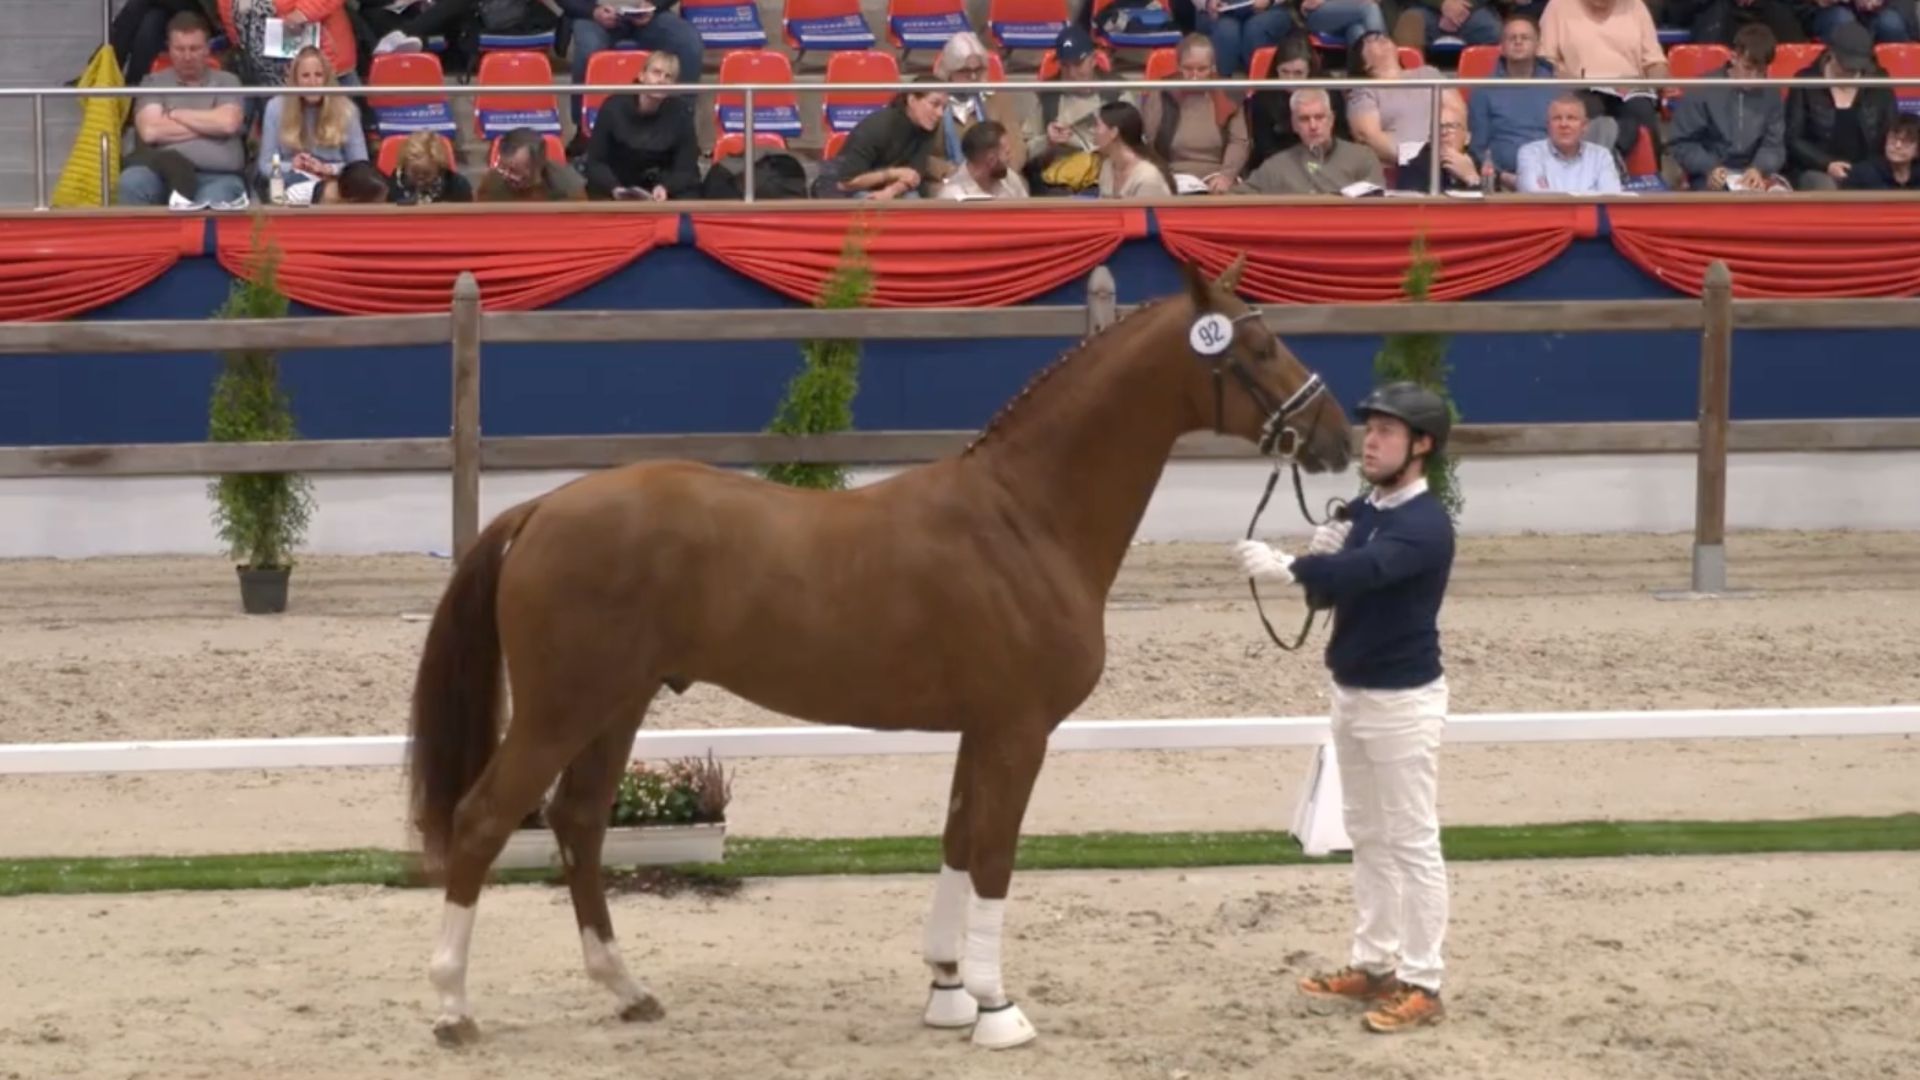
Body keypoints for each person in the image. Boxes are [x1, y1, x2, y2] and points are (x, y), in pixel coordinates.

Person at [1230, 381, 1457, 1036]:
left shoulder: (1422, 525)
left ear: (1422, 446)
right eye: (1372, 429)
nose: (1372, 440)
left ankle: (1424, 979)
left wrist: (1289, 567)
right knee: (1367, 833)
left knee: (1412, 840)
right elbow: (1337, 589)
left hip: (1402, 701)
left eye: (1387, 432)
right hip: (1352, 689)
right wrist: (1325, 548)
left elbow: (1364, 575)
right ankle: (1374, 961)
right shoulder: (1371, 507)